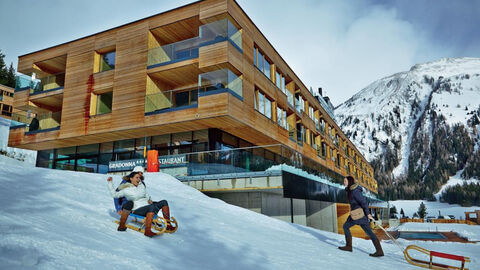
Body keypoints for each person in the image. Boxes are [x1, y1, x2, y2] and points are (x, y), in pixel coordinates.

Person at [107, 172, 173, 237]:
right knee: (150, 207)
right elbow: (114, 195)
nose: (139, 179)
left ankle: (168, 225)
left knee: (164, 202)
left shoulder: (141, 186)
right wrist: (110, 183)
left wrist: (149, 199)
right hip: (137, 209)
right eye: (137, 177)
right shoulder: (126, 189)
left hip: (148, 206)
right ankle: (147, 231)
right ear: (131, 179)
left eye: (139, 178)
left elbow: (146, 194)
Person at [338, 176, 384, 257]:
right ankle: (379, 251)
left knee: (345, 226)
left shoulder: (355, 191)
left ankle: (349, 246)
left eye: (345, 181)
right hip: (359, 215)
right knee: (369, 232)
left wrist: (368, 213)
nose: (344, 182)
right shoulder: (351, 190)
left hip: (357, 214)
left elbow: (364, 202)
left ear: (349, 181)